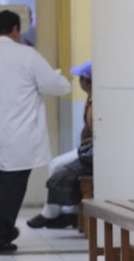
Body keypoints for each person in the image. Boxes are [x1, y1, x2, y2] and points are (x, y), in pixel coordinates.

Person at [0, 10, 72, 253]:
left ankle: (3, 231)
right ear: (16, 30)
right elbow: (55, 85)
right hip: (19, 136)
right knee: (10, 190)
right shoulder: (27, 56)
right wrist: (63, 81)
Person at [27, 60, 93, 229]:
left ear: (86, 81)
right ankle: (61, 212)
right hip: (87, 149)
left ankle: (51, 214)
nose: (78, 82)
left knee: (57, 167)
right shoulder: (91, 98)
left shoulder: (97, 101)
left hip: (91, 152)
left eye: (80, 78)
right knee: (56, 165)